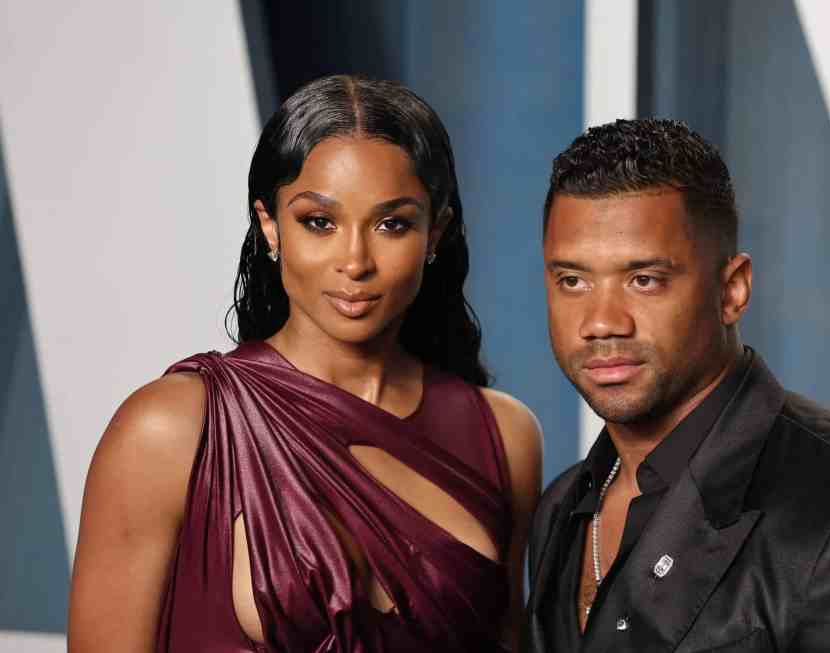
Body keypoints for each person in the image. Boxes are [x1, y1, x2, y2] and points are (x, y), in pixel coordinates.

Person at [68, 75, 543, 652]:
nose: (355, 261)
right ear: (270, 226)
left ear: (434, 233)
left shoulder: (505, 436)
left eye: (392, 224)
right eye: (319, 222)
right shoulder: (170, 430)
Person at [526, 118, 830, 651]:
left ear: (733, 290)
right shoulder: (561, 506)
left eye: (644, 280)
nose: (602, 321)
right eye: (573, 281)